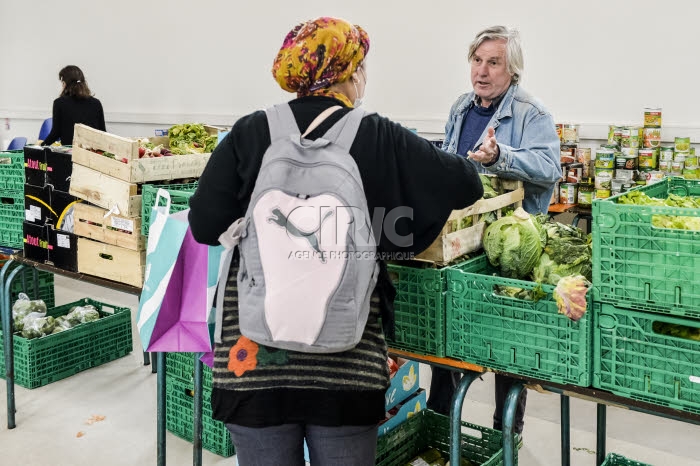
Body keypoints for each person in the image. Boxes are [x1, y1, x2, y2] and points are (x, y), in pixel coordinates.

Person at [188, 17, 485, 466]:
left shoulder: (250, 131)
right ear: (348, 73)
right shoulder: (377, 135)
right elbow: (466, 185)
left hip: (255, 361)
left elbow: (205, 225)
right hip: (345, 363)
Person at [428, 25, 560, 435]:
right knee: (445, 340)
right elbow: (452, 159)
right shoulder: (461, 108)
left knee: (506, 348)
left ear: (512, 69)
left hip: (509, 253)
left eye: (494, 62)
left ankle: (507, 438)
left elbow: (550, 168)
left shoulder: (530, 113)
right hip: (463, 246)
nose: (482, 71)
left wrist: (502, 155)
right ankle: (439, 429)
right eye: (477, 60)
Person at [41, 65, 106, 146]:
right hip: (91, 153)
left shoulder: (59, 103)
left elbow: (55, 133)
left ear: (64, 83)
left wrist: (41, 146)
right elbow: (103, 133)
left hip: (69, 154)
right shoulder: (96, 103)